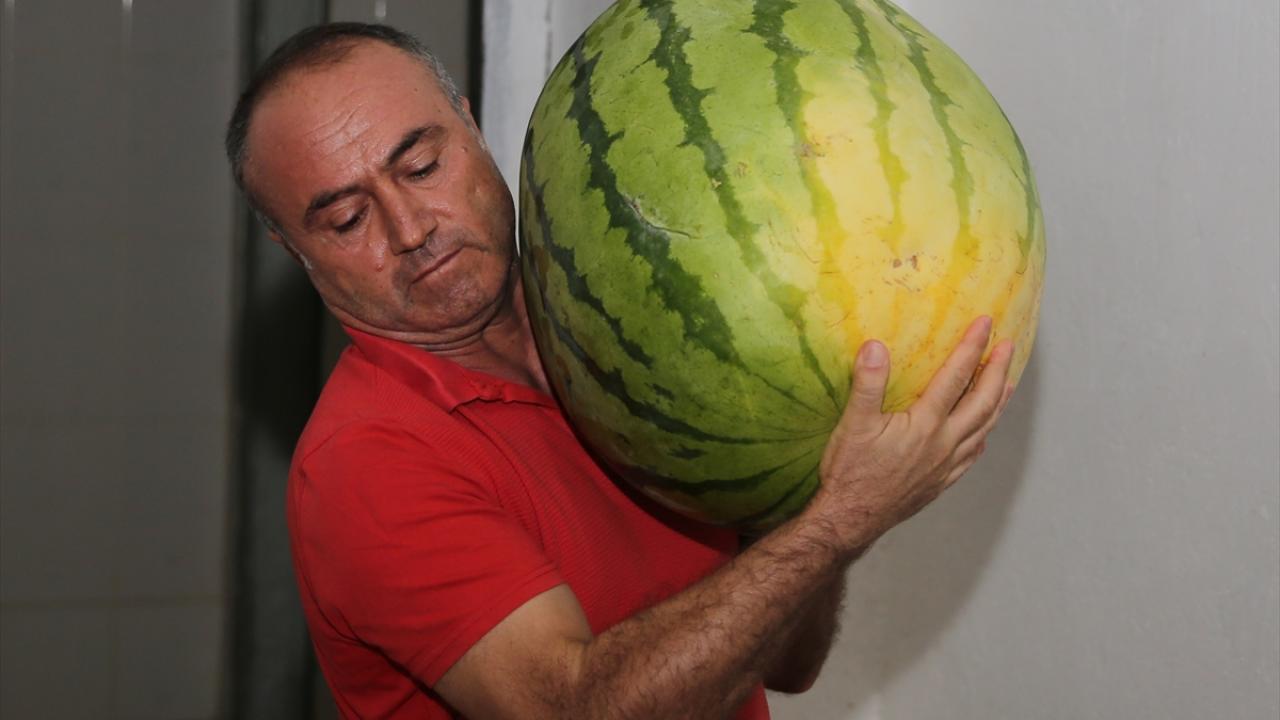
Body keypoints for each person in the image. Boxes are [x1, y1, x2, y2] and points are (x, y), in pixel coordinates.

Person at [225, 22, 1015, 720]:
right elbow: (573, 710)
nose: (409, 228)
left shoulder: (629, 331)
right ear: (293, 249)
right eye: (347, 220)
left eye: (422, 166)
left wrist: (818, 492)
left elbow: (786, 660)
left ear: (470, 124)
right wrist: (842, 517)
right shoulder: (367, 464)